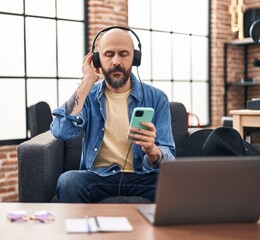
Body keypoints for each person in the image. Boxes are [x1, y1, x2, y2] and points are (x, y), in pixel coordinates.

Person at [51, 26, 175, 203]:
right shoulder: (88, 96)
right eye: (109, 54)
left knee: (179, 185)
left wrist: (152, 151)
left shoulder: (157, 98)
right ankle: (81, 230)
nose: (116, 61)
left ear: (135, 58)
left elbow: (169, 159)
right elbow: (61, 131)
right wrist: (87, 82)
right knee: (68, 181)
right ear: (97, 59)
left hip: (143, 177)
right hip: (99, 179)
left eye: (124, 54)